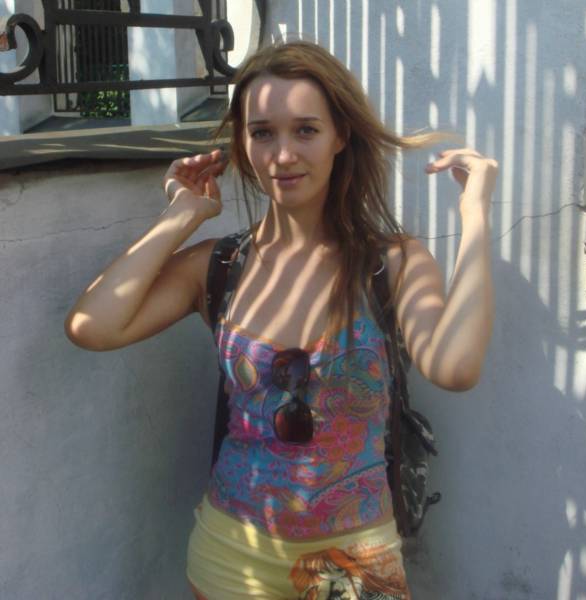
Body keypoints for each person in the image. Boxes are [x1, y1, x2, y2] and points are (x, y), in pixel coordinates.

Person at [65, 40, 497, 600]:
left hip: (356, 558)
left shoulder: (391, 262)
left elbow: (455, 367)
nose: (283, 154)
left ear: (341, 136)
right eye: (263, 132)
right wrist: (181, 214)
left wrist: (475, 215)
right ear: (243, 144)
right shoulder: (219, 266)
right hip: (231, 555)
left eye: (306, 130)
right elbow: (92, 326)